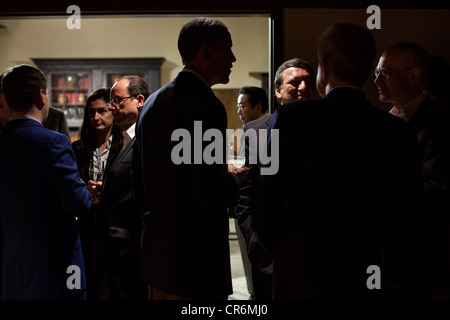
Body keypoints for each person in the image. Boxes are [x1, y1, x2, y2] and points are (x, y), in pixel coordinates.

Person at [252, 24, 424, 300]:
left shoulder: (291, 119)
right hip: (365, 274)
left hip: (302, 273)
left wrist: (290, 255)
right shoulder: (397, 132)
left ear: (325, 66)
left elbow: (265, 203)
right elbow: (408, 217)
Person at [134, 17, 248, 300]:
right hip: (196, 259)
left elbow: (140, 176)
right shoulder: (205, 104)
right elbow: (207, 189)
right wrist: (236, 178)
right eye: (227, 49)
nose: (232, 58)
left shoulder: (153, 101)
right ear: (205, 52)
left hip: (159, 255)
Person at [0, 64, 91, 299]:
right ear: (41, 96)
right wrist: (83, 187)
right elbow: (77, 203)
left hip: (13, 264)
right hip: (56, 264)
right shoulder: (54, 142)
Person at [235, 59, 317, 300]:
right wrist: (254, 242)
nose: (303, 87)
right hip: (269, 249)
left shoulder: (330, 128)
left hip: (318, 253)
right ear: (278, 90)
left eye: (308, 82)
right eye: (294, 82)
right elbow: (247, 192)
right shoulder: (256, 130)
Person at [375, 42, 450, 299]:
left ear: (414, 75)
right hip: (387, 258)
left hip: (420, 259)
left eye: (385, 73)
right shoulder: (392, 118)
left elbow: (438, 193)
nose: (376, 80)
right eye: (376, 73)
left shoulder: (439, 122)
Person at [88, 75, 150, 300]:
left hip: (132, 247)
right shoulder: (120, 138)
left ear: (139, 100)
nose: (112, 107)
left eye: (117, 101)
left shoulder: (146, 139)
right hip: (113, 245)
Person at [72, 88, 122, 300]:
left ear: (112, 111)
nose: (96, 117)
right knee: (90, 277)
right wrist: (84, 188)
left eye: (102, 111)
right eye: (91, 112)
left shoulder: (124, 146)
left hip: (115, 221)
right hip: (87, 220)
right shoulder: (79, 148)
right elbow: (70, 183)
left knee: (114, 280)